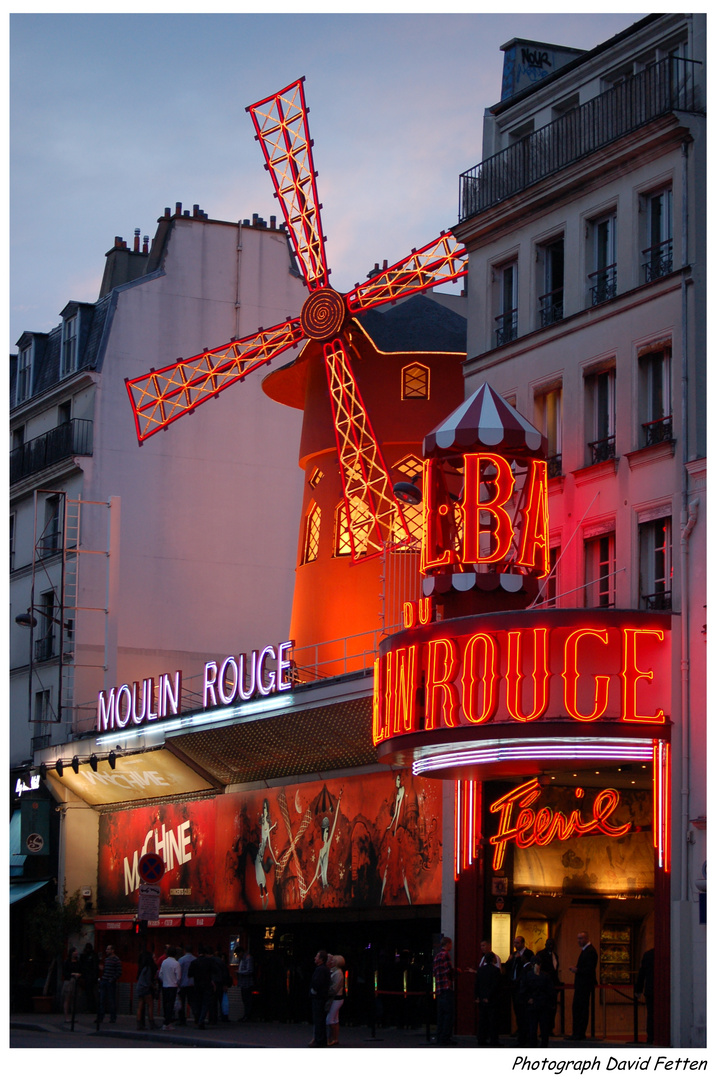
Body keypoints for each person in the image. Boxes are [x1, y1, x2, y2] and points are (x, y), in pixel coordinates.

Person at [569, 931, 598, 1040]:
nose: (578, 941)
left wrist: (577, 970)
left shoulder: (590, 951)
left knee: (581, 1009)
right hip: (582, 985)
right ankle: (577, 1032)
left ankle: (579, 1033)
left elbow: (590, 969)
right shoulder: (586, 951)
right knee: (578, 1008)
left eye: (580, 938)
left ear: (586, 938)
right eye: (578, 938)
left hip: (584, 985)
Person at [507, 936, 534, 1046]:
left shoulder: (528, 953)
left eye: (517, 943)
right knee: (517, 1011)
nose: (515, 945)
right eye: (514, 943)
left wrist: (520, 958)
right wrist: (511, 960)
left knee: (524, 1012)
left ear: (523, 943)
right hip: (514, 986)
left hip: (523, 987)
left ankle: (525, 1036)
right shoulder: (513, 954)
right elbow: (509, 967)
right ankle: (520, 1031)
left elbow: (529, 966)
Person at [524, 961, 557, 1048]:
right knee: (544, 1027)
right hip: (543, 1004)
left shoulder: (528, 976)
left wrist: (529, 998)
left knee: (532, 1027)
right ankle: (544, 1044)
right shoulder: (545, 976)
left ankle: (533, 1044)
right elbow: (550, 991)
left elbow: (523, 989)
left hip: (532, 1004)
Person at [474, 947, 501, 1047]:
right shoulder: (496, 971)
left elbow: (477, 984)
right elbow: (495, 985)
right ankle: (494, 1040)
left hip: (481, 998)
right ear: (494, 959)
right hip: (492, 999)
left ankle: (481, 1039)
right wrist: (489, 996)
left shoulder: (480, 970)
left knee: (482, 1020)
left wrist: (477, 996)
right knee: (493, 1021)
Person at [534, 939, 561, 1036]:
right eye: (549, 944)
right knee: (544, 1009)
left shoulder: (555, 956)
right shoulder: (541, 954)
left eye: (552, 944)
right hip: (544, 985)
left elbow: (555, 971)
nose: (550, 946)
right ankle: (543, 1029)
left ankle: (550, 1028)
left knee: (552, 1008)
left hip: (552, 985)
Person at [433, 936, 455, 1046]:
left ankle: (440, 1036)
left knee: (441, 1014)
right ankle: (446, 1037)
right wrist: (457, 972)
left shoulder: (437, 956)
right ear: (448, 944)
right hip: (446, 987)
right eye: (450, 944)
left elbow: (435, 972)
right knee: (448, 1014)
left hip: (439, 988)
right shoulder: (445, 955)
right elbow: (448, 970)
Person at [189, 944, 216, 1030]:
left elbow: (189, 974)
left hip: (197, 985)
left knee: (198, 1003)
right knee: (205, 1003)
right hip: (207, 984)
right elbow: (214, 972)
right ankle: (201, 1020)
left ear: (197, 953)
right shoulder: (209, 962)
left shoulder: (194, 962)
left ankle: (198, 1018)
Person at [308, 949, 331, 1047]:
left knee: (318, 1019)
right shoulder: (325, 969)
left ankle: (319, 1040)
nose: (315, 958)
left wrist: (313, 990)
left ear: (321, 959)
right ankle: (322, 1040)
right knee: (321, 1019)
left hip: (318, 997)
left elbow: (317, 983)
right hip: (322, 997)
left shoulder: (320, 969)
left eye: (317, 957)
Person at [158, 946, 182, 1030]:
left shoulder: (164, 962)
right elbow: (178, 977)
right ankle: (168, 1022)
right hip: (173, 986)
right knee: (171, 1005)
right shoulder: (176, 963)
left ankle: (166, 1021)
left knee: (165, 1004)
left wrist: (164, 980)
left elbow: (160, 974)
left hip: (165, 985)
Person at [98, 943, 122, 1023]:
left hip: (110, 982)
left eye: (108, 949)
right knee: (102, 999)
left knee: (111, 1000)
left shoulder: (116, 959)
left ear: (112, 950)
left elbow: (119, 972)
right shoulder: (106, 959)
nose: (106, 950)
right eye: (106, 949)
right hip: (104, 980)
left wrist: (112, 979)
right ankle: (101, 1017)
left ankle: (112, 1017)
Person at [635, 948, 655, 1044]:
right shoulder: (670, 953)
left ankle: (650, 1037)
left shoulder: (648, 955)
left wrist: (638, 989)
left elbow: (642, 973)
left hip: (650, 989)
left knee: (651, 1015)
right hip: (660, 989)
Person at [136, 949, 159, 1030]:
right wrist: (154, 987)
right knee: (150, 1005)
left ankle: (139, 1023)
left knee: (140, 1005)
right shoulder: (148, 968)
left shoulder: (142, 967)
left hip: (140, 987)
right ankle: (151, 1022)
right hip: (145, 988)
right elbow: (148, 981)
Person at [326, 953, 345, 1046]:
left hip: (336, 998)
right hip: (337, 998)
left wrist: (325, 992)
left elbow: (334, 988)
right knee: (335, 1019)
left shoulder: (338, 973)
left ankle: (331, 1038)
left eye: (333, 960)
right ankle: (335, 1038)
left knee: (329, 1019)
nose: (331, 961)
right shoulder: (335, 971)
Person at [61, 946, 82, 1023]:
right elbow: (65, 973)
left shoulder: (78, 962)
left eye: (76, 951)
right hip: (69, 981)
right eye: (74, 951)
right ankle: (66, 1017)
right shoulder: (67, 962)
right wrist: (72, 974)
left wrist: (79, 975)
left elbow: (81, 970)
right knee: (67, 999)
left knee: (74, 999)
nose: (76, 953)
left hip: (76, 981)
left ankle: (73, 1016)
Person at [177, 944, 197, 1025]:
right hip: (192, 984)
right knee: (192, 1002)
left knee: (181, 1002)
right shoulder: (195, 959)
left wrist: (178, 983)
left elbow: (179, 973)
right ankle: (196, 1016)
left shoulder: (181, 960)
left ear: (185, 950)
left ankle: (182, 1020)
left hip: (183, 984)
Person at [237, 947, 255, 1022]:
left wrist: (240, 972)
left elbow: (249, 970)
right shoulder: (243, 959)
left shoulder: (247, 958)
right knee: (245, 999)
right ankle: (246, 1015)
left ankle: (248, 1015)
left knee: (247, 999)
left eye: (238, 953)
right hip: (244, 982)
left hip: (247, 983)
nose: (237, 955)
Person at [79, 943, 98, 1014]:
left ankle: (91, 1007)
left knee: (89, 993)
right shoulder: (92, 955)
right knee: (90, 993)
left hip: (88, 977)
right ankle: (92, 1007)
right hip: (90, 977)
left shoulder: (87, 955)